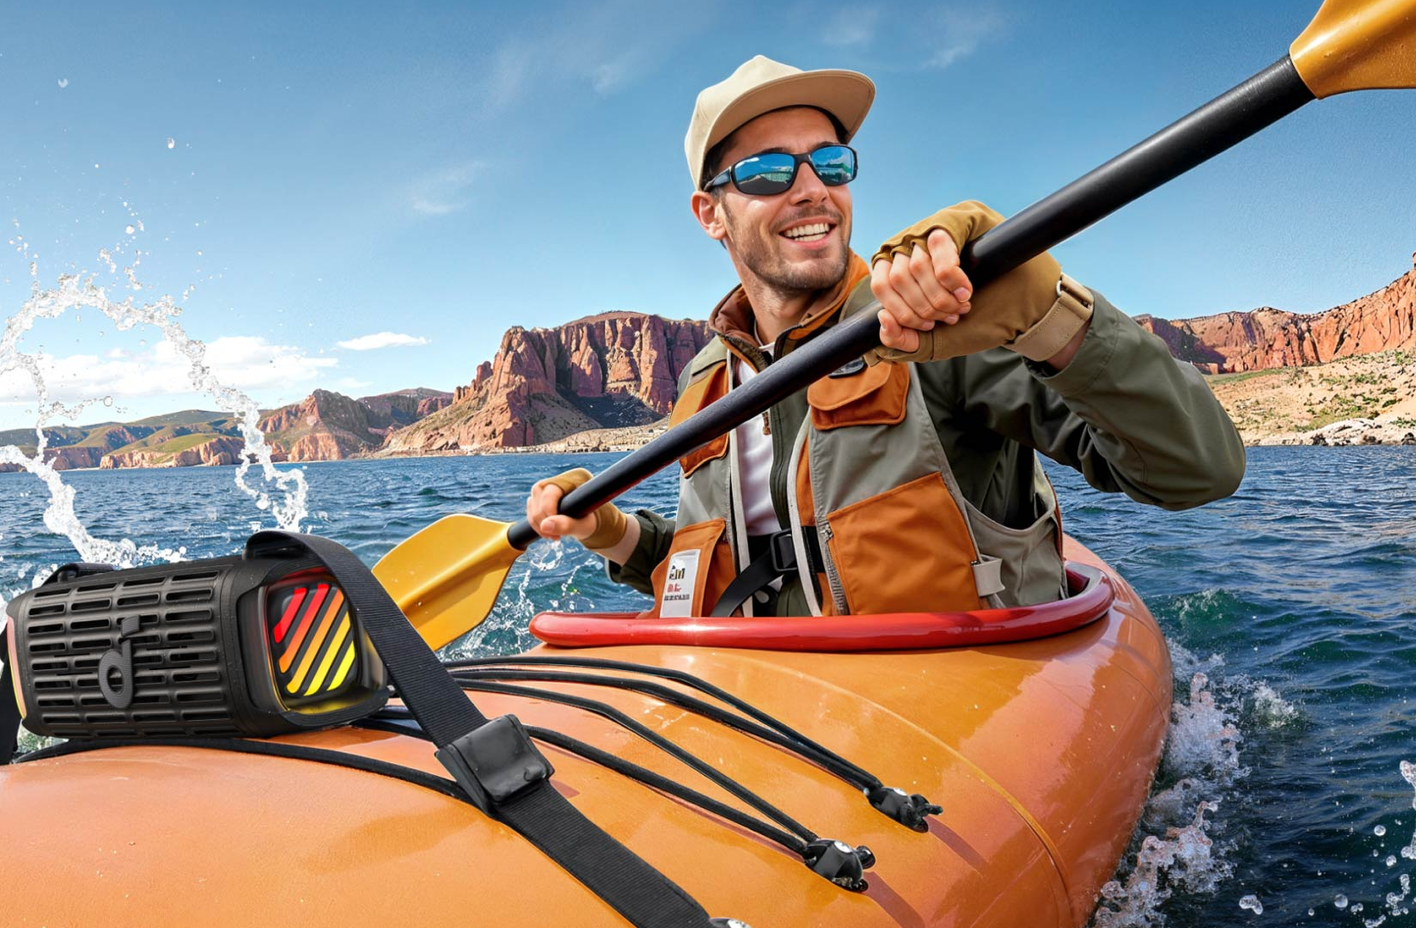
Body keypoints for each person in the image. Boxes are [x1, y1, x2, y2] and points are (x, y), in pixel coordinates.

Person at [526, 55, 1244, 618]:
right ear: (710, 215)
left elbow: (1197, 471)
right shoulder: (705, 381)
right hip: (765, 714)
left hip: (950, 717)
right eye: (770, 171)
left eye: (831, 163)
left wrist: (1050, 315)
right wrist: (608, 532)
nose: (812, 188)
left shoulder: (932, 323)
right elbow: (722, 564)